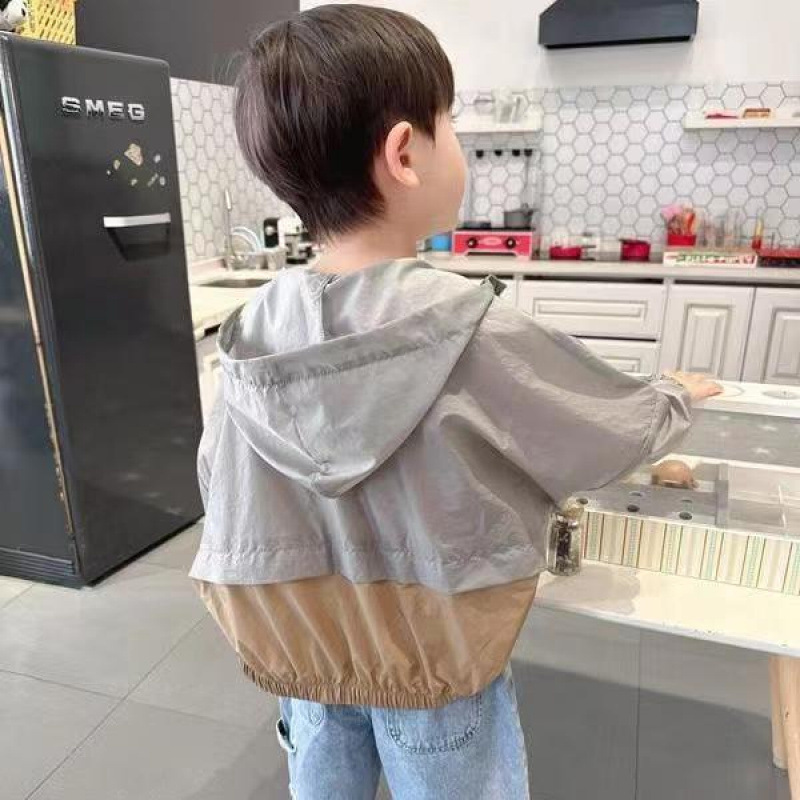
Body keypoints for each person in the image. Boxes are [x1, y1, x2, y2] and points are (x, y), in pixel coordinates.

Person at [189, 5, 721, 798]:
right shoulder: (468, 326)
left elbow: (218, 478)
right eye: (452, 123)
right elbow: (598, 430)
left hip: (305, 649)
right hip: (432, 655)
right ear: (405, 153)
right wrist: (675, 396)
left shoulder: (252, 331)